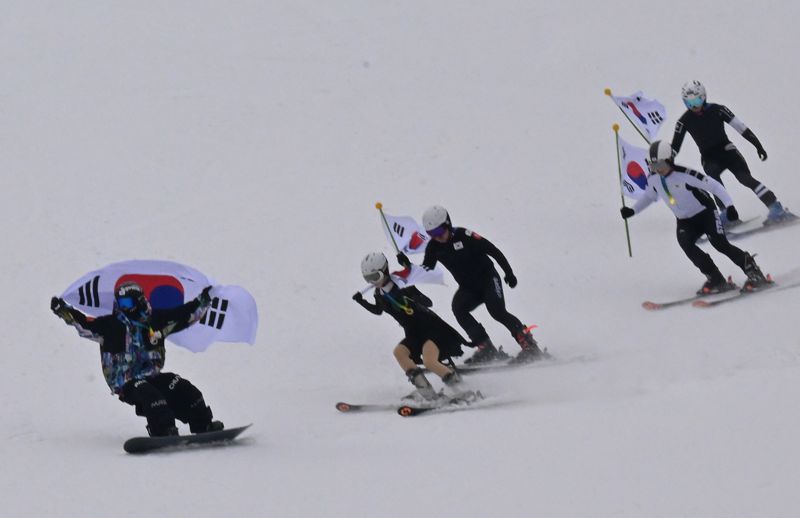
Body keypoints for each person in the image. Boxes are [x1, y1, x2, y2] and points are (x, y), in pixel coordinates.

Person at [50, 281, 224, 437]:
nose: (124, 307)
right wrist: (63, 310)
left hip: (152, 375)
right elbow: (84, 323)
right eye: (121, 303)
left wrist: (205, 299)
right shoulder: (111, 325)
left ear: (139, 300)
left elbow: (184, 314)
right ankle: (163, 430)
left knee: (180, 385)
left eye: (128, 303)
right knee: (149, 394)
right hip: (126, 381)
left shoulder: (155, 321)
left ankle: (203, 424)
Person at [397, 206, 543, 364]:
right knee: (458, 309)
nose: (437, 237)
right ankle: (486, 348)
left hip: (488, 279)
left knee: (497, 311)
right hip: (469, 288)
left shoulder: (464, 235)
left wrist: (509, 273)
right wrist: (409, 266)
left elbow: (493, 250)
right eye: (431, 234)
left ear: (447, 224)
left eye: (439, 232)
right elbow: (427, 268)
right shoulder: (434, 247)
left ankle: (529, 346)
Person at [620, 140, 770, 293]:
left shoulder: (685, 174)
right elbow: (649, 196)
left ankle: (753, 271)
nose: (658, 170)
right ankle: (715, 278)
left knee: (720, 244)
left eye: (660, 166)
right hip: (685, 220)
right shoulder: (653, 178)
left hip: (705, 214)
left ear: (669, 161)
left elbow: (714, 186)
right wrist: (633, 211)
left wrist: (729, 205)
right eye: (653, 166)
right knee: (687, 245)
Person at [671, 80, 792, 226]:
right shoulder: (684, 121)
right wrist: (665, 160)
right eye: (689, 103)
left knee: (744, 178)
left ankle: (775, 207)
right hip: (709, 157)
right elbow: (675, 147)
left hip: (727, 151)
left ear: (703, 97)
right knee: (713, 181)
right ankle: (728, 215)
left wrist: (757, 145)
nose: (694, 106)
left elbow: (741, 128)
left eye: (696, 101)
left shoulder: (718, 110)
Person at [352, 252, 466, 401]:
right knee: (399, 352)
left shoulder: (402, 284)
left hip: (431, 329)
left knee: (429, 361)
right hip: (413, 333)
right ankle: (428, 394)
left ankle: (462, 390)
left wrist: (411, 296)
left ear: (385, 271)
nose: (373, 282)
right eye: (368, 279)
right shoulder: (379, 294)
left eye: (375, 277)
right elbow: (378, 310)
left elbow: (427, 302)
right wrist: (362, 302)